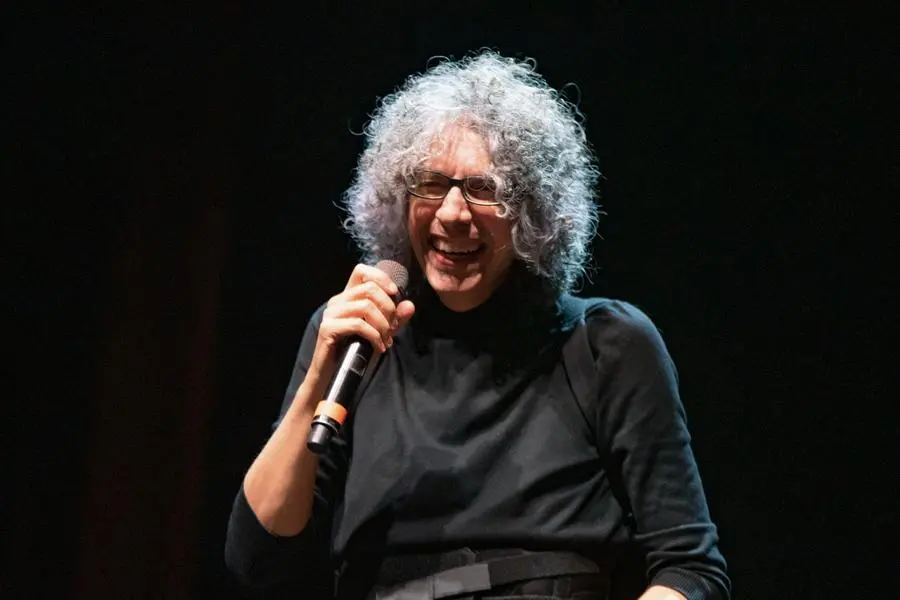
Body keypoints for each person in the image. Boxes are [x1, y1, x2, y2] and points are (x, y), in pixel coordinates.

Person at [225, 51, 730, 600]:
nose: (451, 213)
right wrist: (320, 375)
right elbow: (257, 557)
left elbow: (690, 571)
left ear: (533, 211)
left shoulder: (606, 344)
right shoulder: (354, 342)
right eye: (430, 183)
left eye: (483, 189)